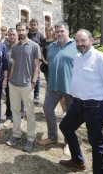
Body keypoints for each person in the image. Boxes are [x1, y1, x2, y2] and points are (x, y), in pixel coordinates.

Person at [59, 29, 103, 173]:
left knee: (96, 142)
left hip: (96, 106)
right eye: (77, 41)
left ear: (91, 40)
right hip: (79, 103)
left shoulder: (101, 59)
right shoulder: (77, 57)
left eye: (83, 40)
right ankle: (77, 161)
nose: (80, 44)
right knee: (66, 127)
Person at [38, 22, 77, 154]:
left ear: (68, 31)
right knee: (47, 108)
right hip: (54, 85)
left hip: (70, 87)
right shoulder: (51, 47)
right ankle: (53, 136)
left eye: (62, 31)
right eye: (57, 31)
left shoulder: (75, 45)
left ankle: (68, 142)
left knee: (70, 115)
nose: (59, 33)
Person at [6, 22, 41, 153]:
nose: (20, 33)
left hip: (27, 85)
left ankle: (31, 138)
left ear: (27, 30)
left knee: (30, 113)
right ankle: (16, 135)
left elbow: (37, 67)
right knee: (15, 111)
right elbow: (13, 64)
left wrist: (33, 83)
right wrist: (10, 80)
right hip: (14, 84)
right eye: (18, 30)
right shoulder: (15, 47)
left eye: (22, 30)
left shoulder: (34, 46)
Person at [27, 19, 46, 105]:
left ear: (37, 25)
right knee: (27, 77)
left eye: (34, 24)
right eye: (31, 24)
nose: (33, 26)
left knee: (37, 78)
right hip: (27, 59)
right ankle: (27, 94)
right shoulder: (27, 34)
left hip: (37, 59)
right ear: (29, 25)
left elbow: (42, 48)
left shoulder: (41, 36)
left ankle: (36, 96)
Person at [2, 28, 18, 128]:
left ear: (17, 35)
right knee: (8, 98)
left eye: (13, 34)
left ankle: (18, 117)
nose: (12, 36)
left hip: (19, 77)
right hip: (8, 77)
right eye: (10, 34)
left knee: (19, 99)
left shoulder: (21, 46)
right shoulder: (5, 47)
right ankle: (9, 116)